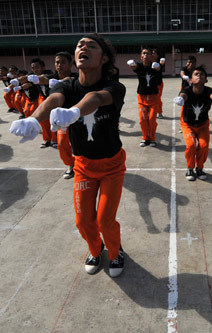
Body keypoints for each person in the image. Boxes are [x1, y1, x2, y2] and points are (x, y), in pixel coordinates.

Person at [10, 34, 128, 278]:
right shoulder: (67, 85)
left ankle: (116, 253)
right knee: (83, 221)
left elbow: (95, 98)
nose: (82, 47)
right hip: (83, 164)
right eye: (79, 45)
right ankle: (96, 250)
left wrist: (75, 111)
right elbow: (54, 99)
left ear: (104, 58)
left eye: (91, 45)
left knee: (105, 220)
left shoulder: (115, 86)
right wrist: (34, 119)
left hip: (112, 166)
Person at [173, 66, 212, 180]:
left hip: (203, 125)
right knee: (191, 145)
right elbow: (183, 95)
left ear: (206, 80)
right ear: (191, 79)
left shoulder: (208, 91)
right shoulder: (187, 90)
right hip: (188, 124)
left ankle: (199, 168)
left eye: (202, 74)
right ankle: (190, 168)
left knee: (203, 146)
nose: (199, 76)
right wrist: (181, 99)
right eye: (196, 74)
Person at [127, 47, 162, 147]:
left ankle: (152, 138)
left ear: (152, 56)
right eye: (144, 53)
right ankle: (145, 138)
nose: (146, 55)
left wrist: (158, 65)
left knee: (151, 119)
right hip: (142, 98)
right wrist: (131, 64)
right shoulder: (139, 67)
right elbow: (134, 67)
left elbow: (159, 68)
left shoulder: (155, 67)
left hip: (153, 98)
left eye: (148, 53)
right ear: (141, 57)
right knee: (143, 119)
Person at [151, 48, 166, 119]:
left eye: (154, 53)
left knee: (157, 98)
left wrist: (161, 63)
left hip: (159, 84)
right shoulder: (147, 63)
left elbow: (161, 65)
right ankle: (152, 112)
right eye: (152, 53)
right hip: (150, 85)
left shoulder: (160, 62)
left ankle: (159, 113)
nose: (153, 55)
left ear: (157, 55)